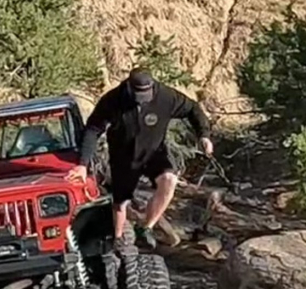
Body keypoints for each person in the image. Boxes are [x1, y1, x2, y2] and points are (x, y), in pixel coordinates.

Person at [67, 68, 213, 250]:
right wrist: (82, 164)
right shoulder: (113, 100)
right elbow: (93, 129)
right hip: (123, 157)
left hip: (154, 153)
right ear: (129, 87)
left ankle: (146, 228)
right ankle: (118, 241)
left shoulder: (165, 97)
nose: (142, 100)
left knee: (169, 180)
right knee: (121, 204)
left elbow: (193, 108)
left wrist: (203, 135)